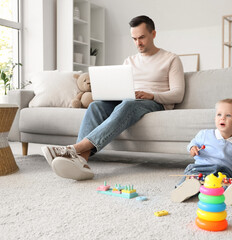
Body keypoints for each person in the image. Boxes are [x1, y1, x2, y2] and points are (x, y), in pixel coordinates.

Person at [41, 15, 185, 180]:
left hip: (154, 103)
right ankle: (82, 161)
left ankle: (74, 149)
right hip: (127, 100)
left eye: (142, 37)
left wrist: (151, 95)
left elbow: (177, 94)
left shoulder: (171, 59)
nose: (138, 43)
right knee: (96, 106)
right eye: (134, 39)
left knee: (129, 103)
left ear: (153, 34)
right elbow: (119, 87)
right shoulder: (129, 61)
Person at [171, 98, 232, 205]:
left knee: (226, 181)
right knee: (192, 177)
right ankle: (182, 190)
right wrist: (192, 148)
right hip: (201, 169)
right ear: (215, 118)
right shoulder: (204, 134)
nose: (222, 118)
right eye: (219, 114)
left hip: (222, 173)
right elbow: (192, 143)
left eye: (228, 115)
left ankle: (228, 194)